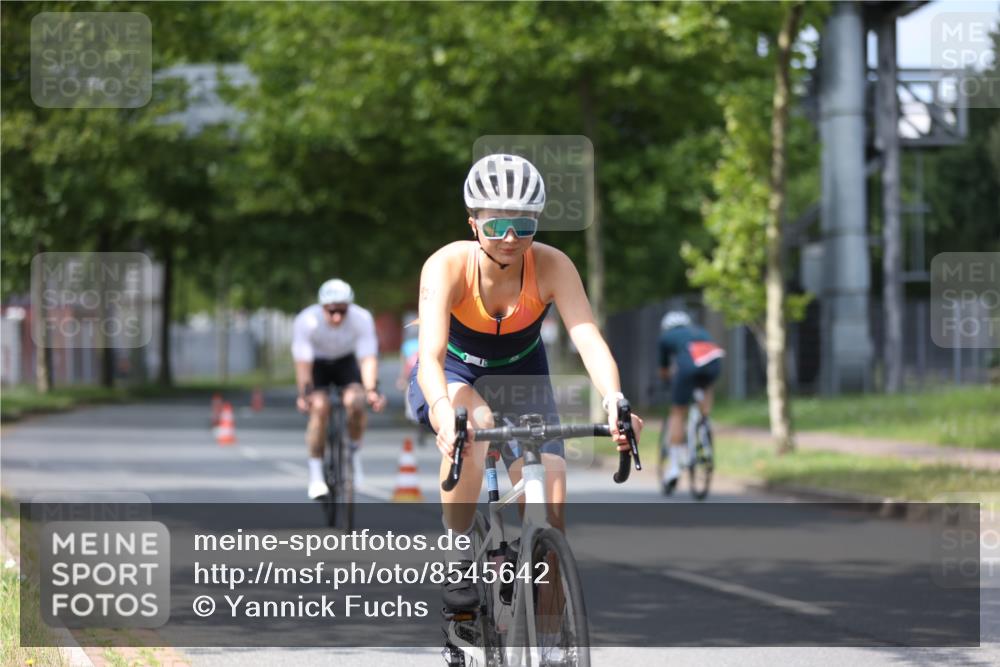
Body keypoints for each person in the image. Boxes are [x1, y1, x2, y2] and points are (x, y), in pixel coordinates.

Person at [406, 153, 643, 611]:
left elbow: (588, 337)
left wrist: (614, 400)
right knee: (473, 424)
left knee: (551, 500)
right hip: (454, 371)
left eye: (524, 225)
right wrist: (441, 412)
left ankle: (550, 639)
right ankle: (457, 548)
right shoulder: (447, 266)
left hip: (522, 369)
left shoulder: (553, 266)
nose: (511, 237)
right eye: (496, 226)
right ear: (473, 224)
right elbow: (429, 357)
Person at [292, 278, 386, 499]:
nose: (337, 317)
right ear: (322, 307)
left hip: (346, 362)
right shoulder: (307, 321)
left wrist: (372, 390)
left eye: (342, 311)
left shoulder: (361, 318)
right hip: (317, 364)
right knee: (319, 406)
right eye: (332, 311)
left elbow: (367, 358)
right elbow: (303, 364)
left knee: (356, 401)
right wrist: (305, 394)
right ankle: (316, 475)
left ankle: (352, 456)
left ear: (349, 308)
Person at [657, 310, 724, 495]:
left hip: (688, 367)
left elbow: (663, 370)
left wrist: (668, 381)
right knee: (706, 386)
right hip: (713, 362)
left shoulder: (666, 338)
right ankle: (704, 422)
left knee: (678, 412)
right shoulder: (700, 331)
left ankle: (674, 468)